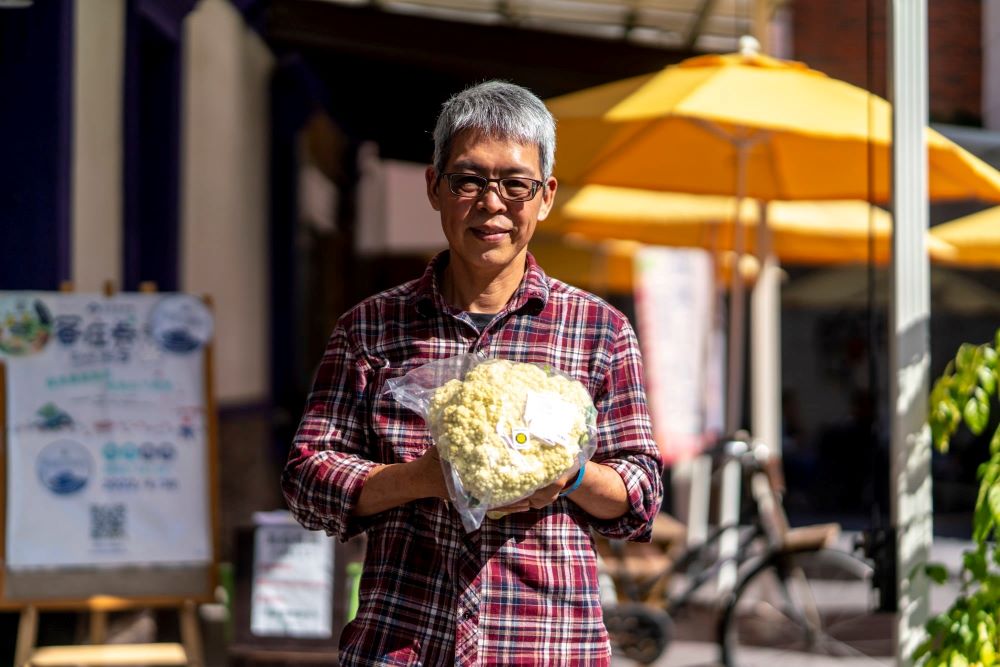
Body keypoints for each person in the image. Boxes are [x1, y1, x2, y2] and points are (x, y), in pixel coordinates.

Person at [282, 80, 663, 666]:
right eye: (469, 180)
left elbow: (640, 493)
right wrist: (423, 479)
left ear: (545, 196)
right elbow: (307, 480)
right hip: (402, 643)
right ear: (434, 187)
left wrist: (571, 474)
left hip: (545, 646)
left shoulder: (599, 330)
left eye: (515, 184)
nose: (492, 204)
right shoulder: (371, 328)